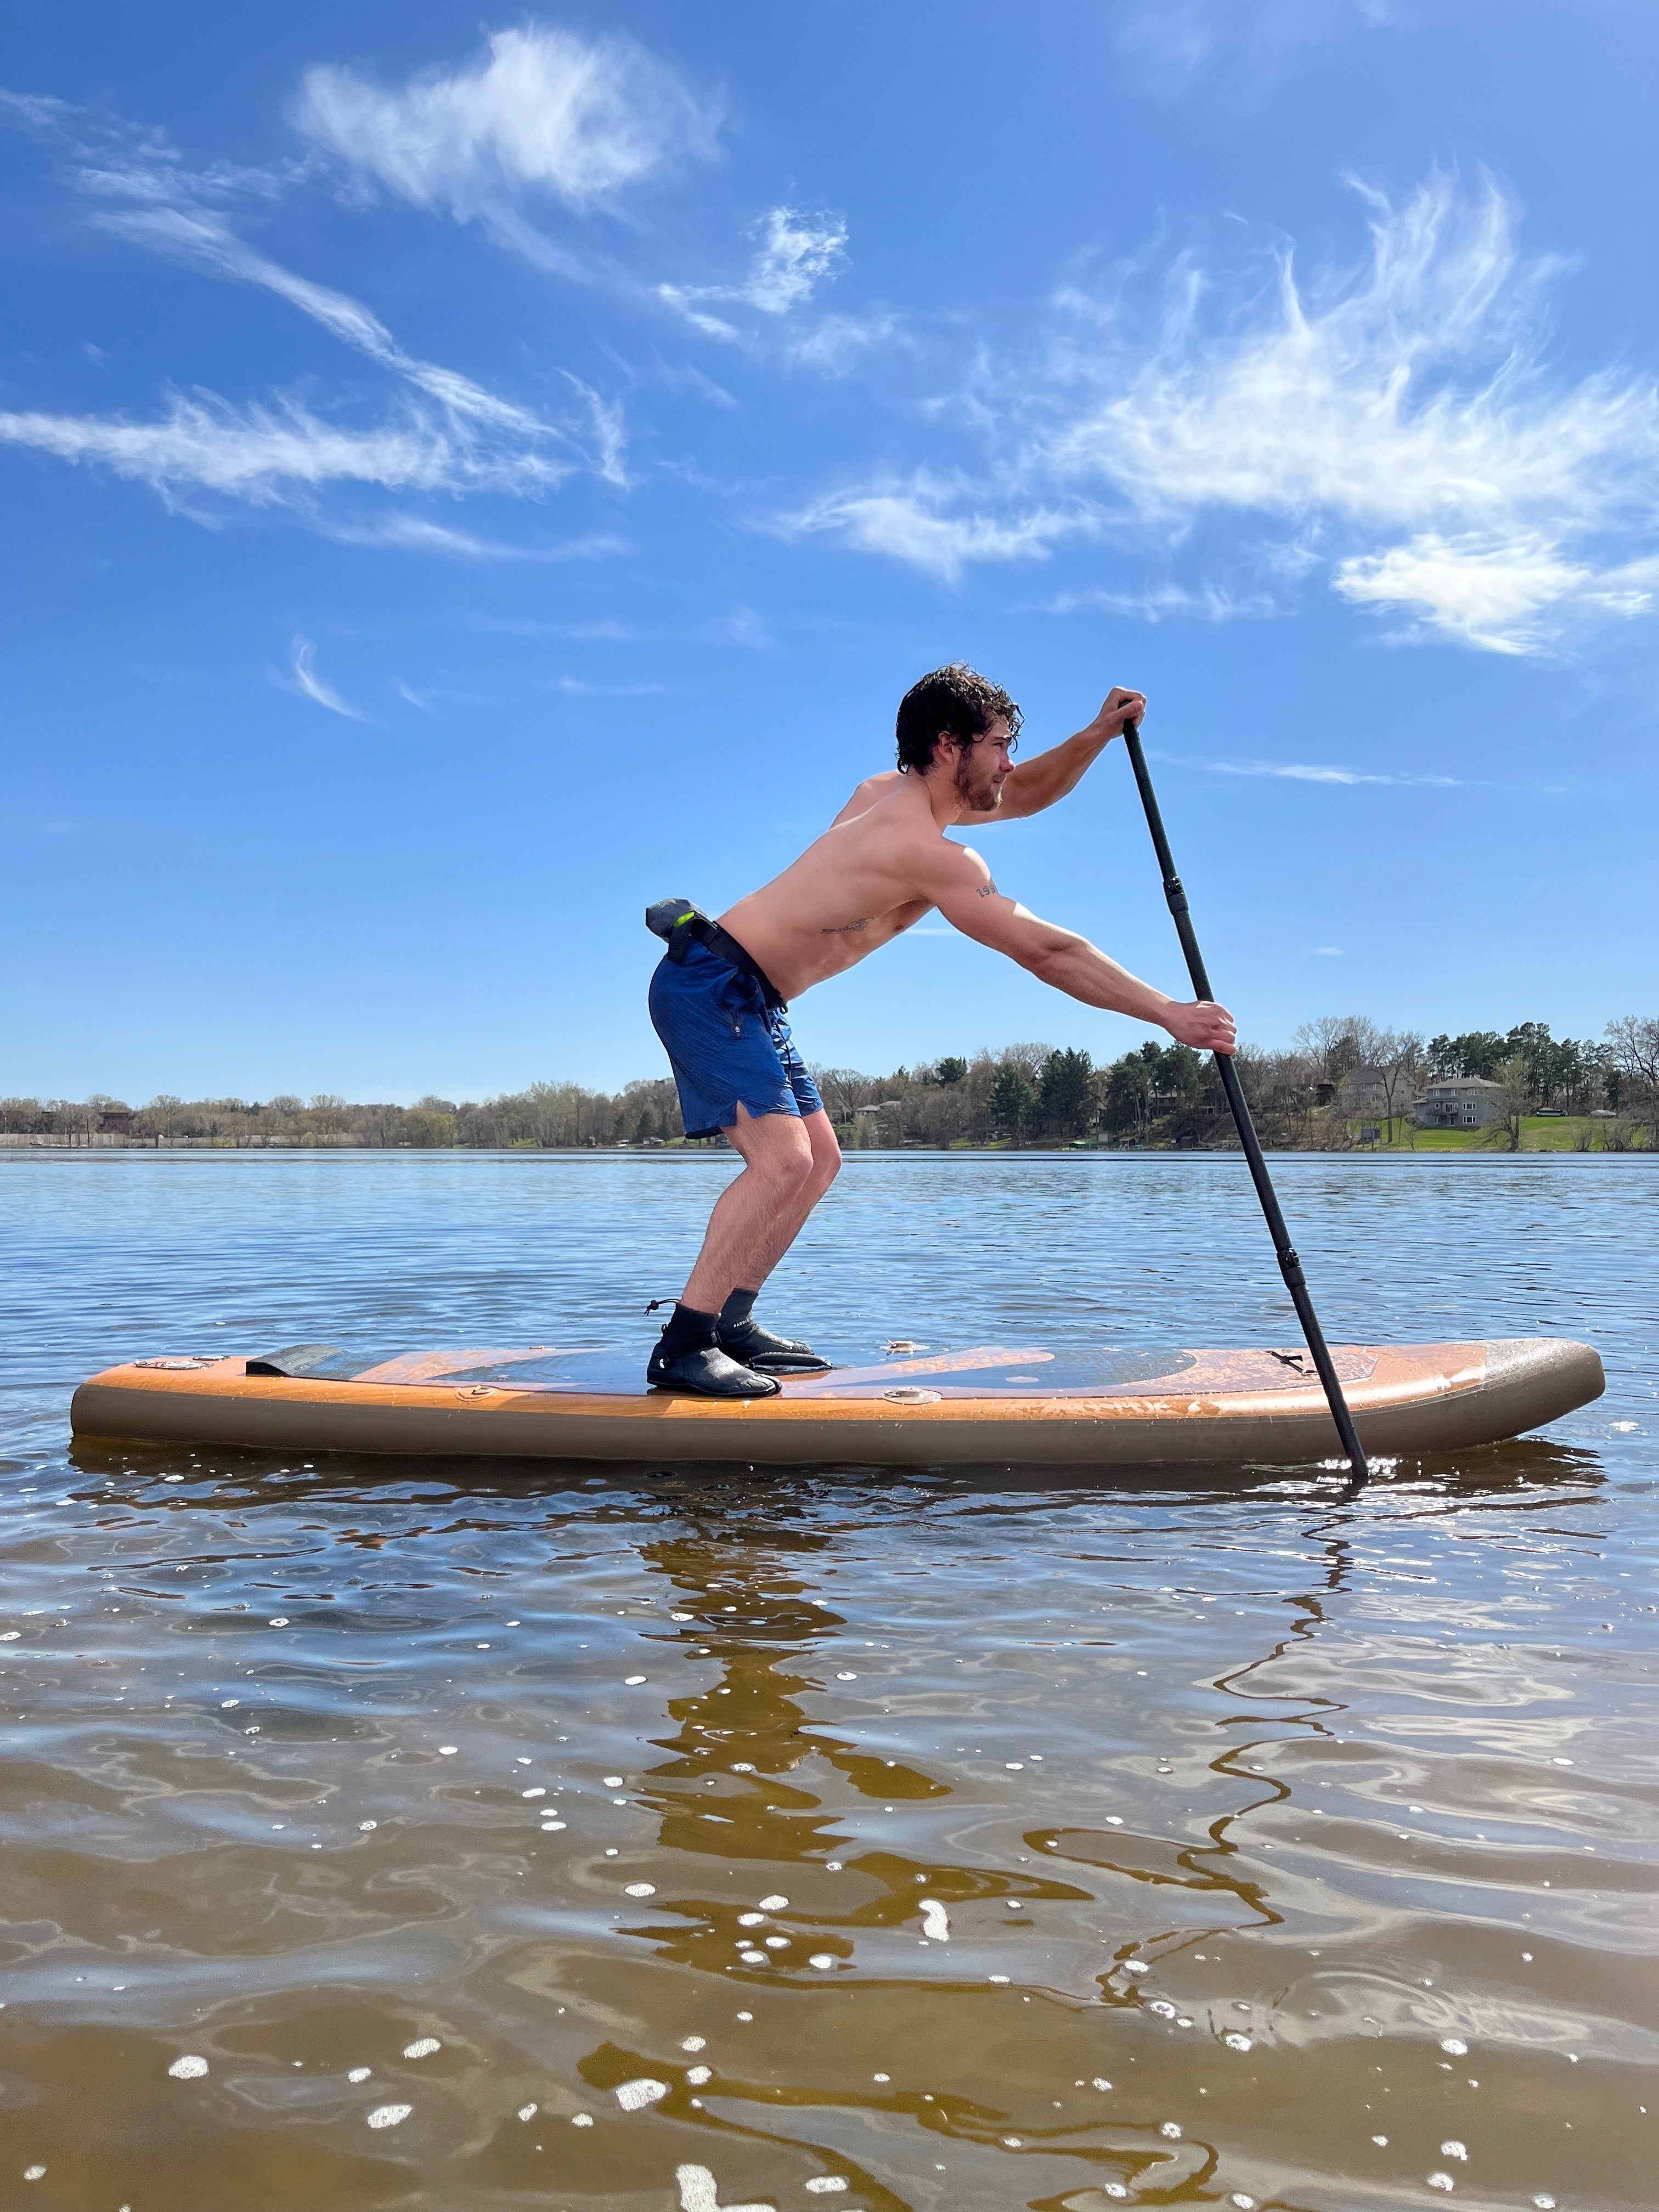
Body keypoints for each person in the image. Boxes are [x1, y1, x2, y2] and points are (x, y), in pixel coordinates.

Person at [644, 664, 1237, 1396]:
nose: (1010, 762)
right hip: (712, 988)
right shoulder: (928, 853)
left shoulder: (891, 795)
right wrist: (1171, 1014)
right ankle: (685, 1343)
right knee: (784, 1163)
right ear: (951, 745)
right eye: (1000, 744)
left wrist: (1096, 737)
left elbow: (1023, 793)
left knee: (820, 1161)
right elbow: (1048, 953)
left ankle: (731, 1324)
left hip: (751, 996)